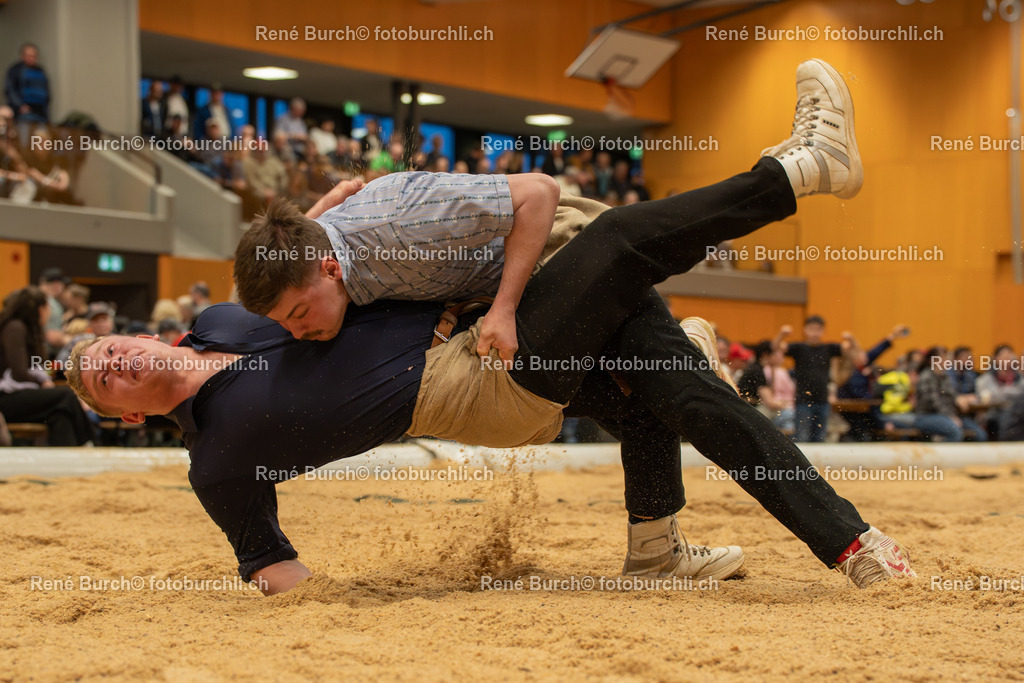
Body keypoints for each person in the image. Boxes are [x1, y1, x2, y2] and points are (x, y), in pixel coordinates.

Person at [68, 59, 915, 597]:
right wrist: (304, 601)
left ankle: (824, 545)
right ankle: (794, 173)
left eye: (108, 349)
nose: (111, 360)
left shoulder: (228, 315)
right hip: (479, 381)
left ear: (152, 336)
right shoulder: (216, 461)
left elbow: (290, 262)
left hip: (485, 329)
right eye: (101, 379)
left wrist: (324, 212)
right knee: (621, 245)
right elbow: (273, 566)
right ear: (129, 415)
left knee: (675, 391)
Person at [0, 287, 92, 446]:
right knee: (66, 396)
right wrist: (43, 382)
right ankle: (91, 443)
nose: (50, 313)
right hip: (6, 398)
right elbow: (19, 372)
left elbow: (43, 367)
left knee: (61, 415)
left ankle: (66, 462)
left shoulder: (31, 332)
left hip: (22, 394)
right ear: (39, 309)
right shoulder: (15, 327)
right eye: (48, 307)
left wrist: (67, 372)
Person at [774, 316, 846, 442]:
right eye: (811, 329)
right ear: (805, 330)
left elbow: (853, 353)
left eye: (818, 329)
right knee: (802, 437)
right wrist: (781, 334)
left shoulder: (828, 348)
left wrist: (851, 339)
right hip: (803, 401)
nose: (814, 333)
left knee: (820, 437)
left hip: (823, 400)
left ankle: (818, 463)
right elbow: (775, 348)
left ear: (823, 331)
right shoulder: (799, 348)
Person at [914, 347, 987, 442]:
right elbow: (934, 403)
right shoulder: (927, 376)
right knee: (955, 432)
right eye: (945, 358)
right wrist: (950, 416)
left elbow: (952, 395)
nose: (948, 361)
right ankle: (940, 455)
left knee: (980, 434)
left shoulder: (944, 376)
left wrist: (960, 399)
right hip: (926, 417)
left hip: (946, 415)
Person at [4, 43, 50, 147]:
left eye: (34, 56)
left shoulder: (40, 71)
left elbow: (46, 92)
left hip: (41, 113)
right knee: (24, 142)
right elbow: (10, 90)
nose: (32, 58)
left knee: (42, 143)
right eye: (29, 55)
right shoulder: (15, 70)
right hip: (24, 114)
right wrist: (20, 106)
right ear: (23, 56)